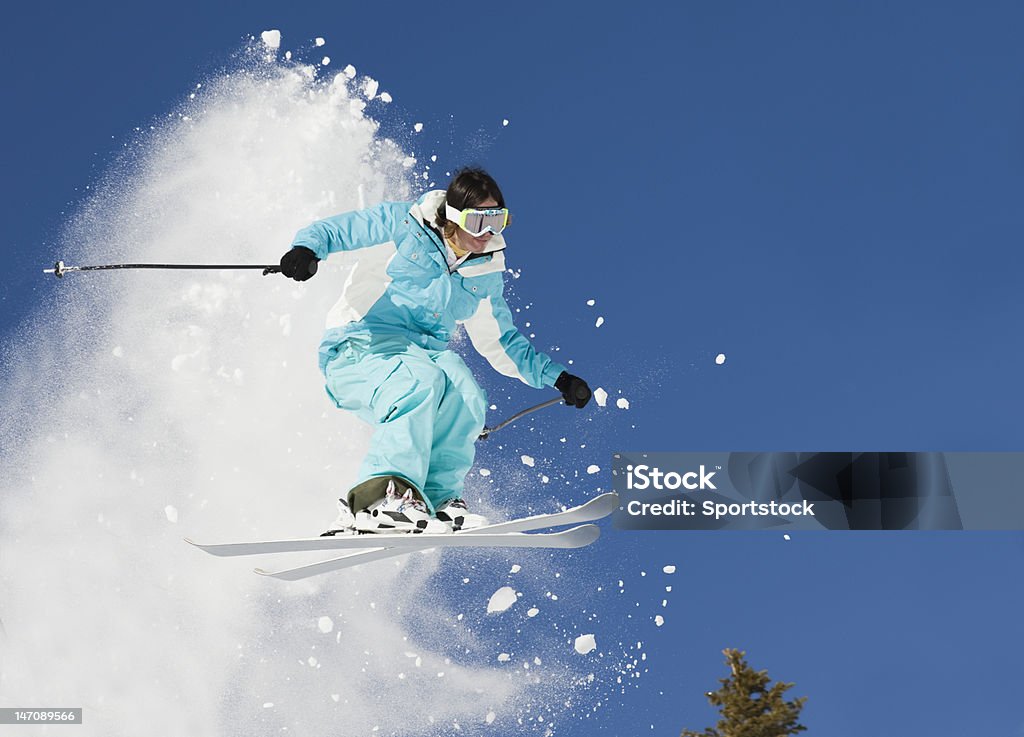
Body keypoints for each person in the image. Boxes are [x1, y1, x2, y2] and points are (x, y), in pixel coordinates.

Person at [280, 167, 591, 535]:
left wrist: (557, 376)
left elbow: (502, 340)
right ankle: (379, 499)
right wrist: (306, 249)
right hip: (362, 343)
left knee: (467, 395)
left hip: (421, 353)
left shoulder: (484, 272)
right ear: (454, 216)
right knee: (419, 383)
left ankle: (437, 500)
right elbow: (340, 229)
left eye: (498, 221)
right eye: (478, 221)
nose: (488, 233)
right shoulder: (405, 224)